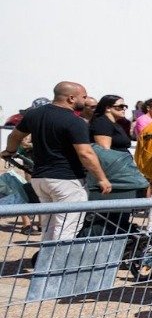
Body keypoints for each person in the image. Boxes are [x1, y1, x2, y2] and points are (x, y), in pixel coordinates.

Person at [3, 81, 113, 240]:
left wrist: (9, 151)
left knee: (49, 227)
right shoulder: (75, 121)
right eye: (83, 96)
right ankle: (58, 264)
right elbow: (86, 153)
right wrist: (102, 178)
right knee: (67, 229)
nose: (85, 99)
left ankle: (45, 263)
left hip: (40, 179)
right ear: (71, 98)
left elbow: (14, 136)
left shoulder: (34, 114)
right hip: (66, 181)